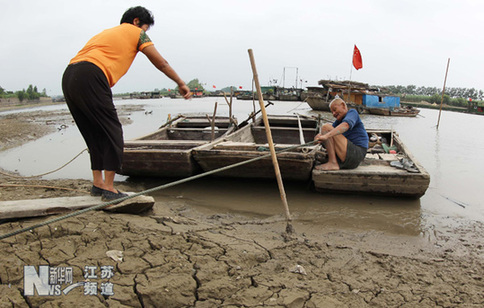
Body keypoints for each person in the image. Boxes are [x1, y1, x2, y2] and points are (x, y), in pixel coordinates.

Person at [62, 6, 191, 201]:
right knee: (113, 130)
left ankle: (98, 184)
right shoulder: (136, 32)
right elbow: (161, 63)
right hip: (92, 74)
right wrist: (180, 83)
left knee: (93, 132)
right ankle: (109, 188)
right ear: (137, 21)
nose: (145, 33)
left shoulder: (107, 33)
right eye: (146, 28)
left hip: (70, 74)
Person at [314, 98, 368, 171]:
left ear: (343, 106)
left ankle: (332, 163)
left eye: (335, 110)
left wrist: (326, 135)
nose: (333, 114)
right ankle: (333, 162)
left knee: (326, 127)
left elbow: (346, 125)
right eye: (332, 112)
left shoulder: (352, 113)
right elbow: (329, 138)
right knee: (326, 130)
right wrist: (319, 138)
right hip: (348, 156)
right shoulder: (337, 122)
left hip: (356, 154)